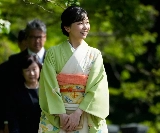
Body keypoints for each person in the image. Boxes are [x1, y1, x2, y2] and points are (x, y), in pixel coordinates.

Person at [38, 5, 109, 133]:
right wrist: (62, 115)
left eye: (87, 22)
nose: (86, 27)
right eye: (80, 23)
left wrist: (78, 113)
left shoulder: (95, 54)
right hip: (60, 115)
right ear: (67, 27)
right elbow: (48, 84)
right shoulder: (53, 53)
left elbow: (97, 86)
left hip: (86, 113)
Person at [0, 29, 26, 133]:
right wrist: (2, 124)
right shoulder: (5, 68)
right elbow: (0, 99)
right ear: (20, 44)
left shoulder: (45, 66)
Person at [8, 19, 47, 89]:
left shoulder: (56, 59)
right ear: (27, 37)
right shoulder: (14, 61)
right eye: (33, 37)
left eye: (39, 37)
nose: (37, 41)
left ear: (45, 37)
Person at [8, 55, 42, 133]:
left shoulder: (47, 90)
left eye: (34, 69)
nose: (32, 73)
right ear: (22, 72)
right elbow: (13, 119)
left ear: (39, 69)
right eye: (27, 70)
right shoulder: (16, 92)